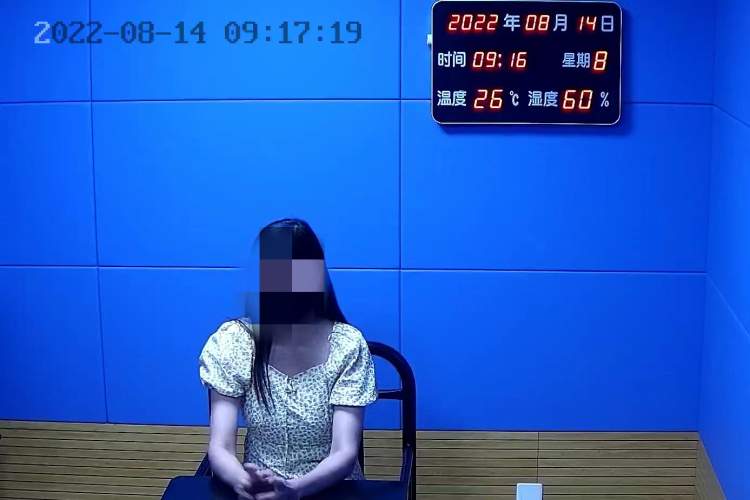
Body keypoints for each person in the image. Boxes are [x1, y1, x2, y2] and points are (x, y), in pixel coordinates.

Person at [198, 218, 377, 499]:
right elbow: (220, 448)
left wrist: (295, 489)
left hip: (333, 490)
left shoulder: (347, 345)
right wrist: (243, 480)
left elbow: (344, 452)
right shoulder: (234, 341)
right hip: (259, 493)